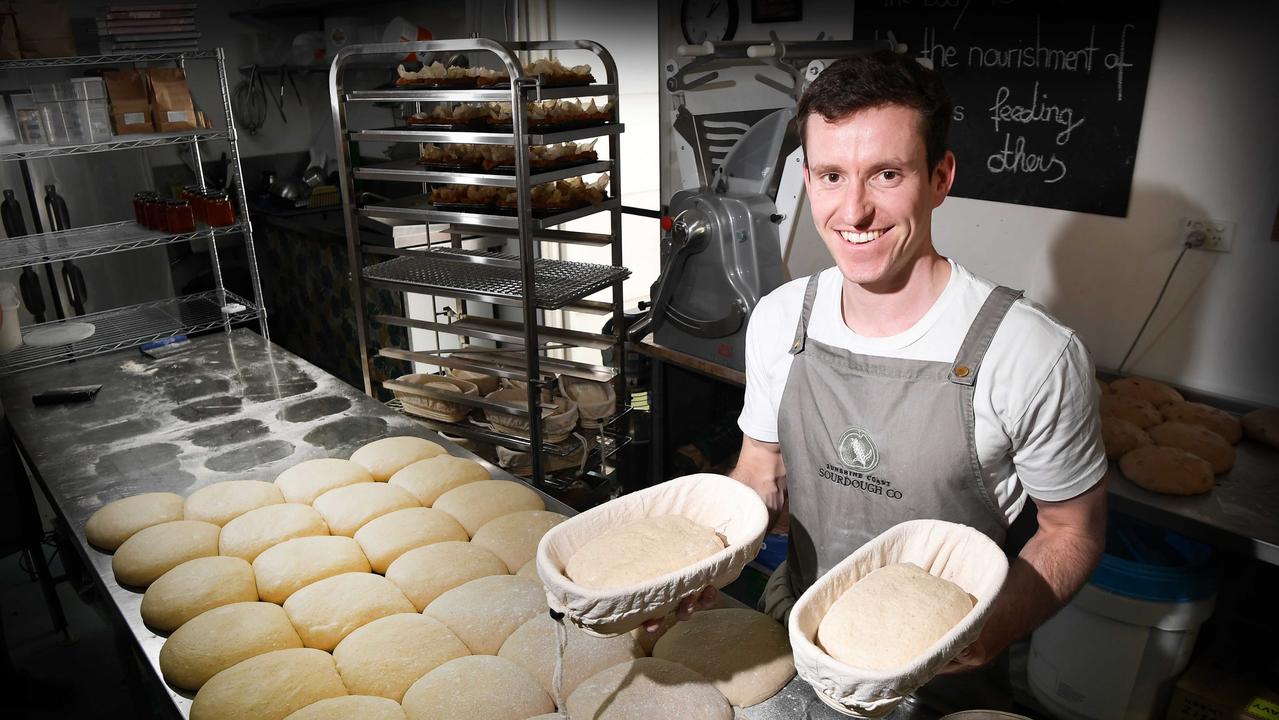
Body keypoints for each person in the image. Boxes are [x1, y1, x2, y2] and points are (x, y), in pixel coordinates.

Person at [729, 50, 1108, 708]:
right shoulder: (778, 319)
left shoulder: (1030, 354)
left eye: (884, 174)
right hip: (794, 633)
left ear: (939, 177)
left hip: (944, 672)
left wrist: (989, 631)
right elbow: (759, 468)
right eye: (830, 174)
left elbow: (1073, 531)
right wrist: (709, 560)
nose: (854, 210)